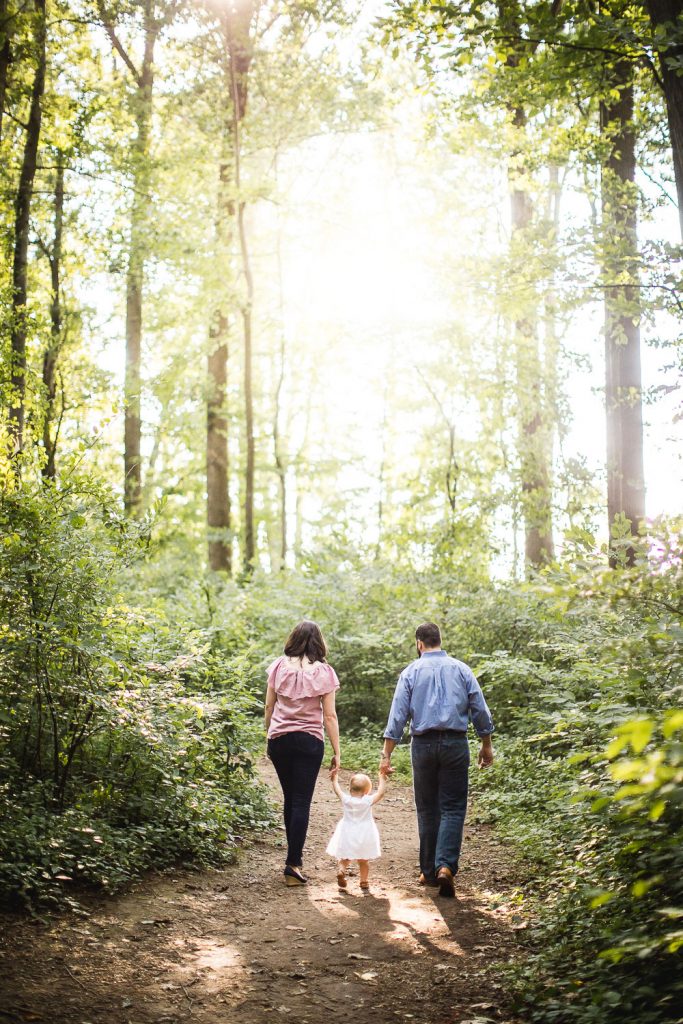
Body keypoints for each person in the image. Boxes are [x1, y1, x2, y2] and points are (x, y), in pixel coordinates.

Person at [379, 622, 494, 898]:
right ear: (439, 640)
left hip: (423, 744)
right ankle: (446, 867)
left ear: (419, 643)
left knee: (427, 808)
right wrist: (486, 744)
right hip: (455, 743)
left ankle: (429, 871)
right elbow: (479, 707)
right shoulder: (462, 669)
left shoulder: (411, 671)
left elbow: (398, 716)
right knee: (453, 807)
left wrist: (387, 754)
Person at [265, 620, 341, 887]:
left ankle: (292, 860)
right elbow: (329, 716)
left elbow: (269, 707)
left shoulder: (277, 667)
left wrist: (269, 734)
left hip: (280, 740)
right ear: (318, 642)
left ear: (293, 639)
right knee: (301, 801)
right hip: (309, 741)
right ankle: (293, 862)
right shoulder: (324, 672)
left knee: (290, 799)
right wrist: (337, 751)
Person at [326, 771, 387, 892]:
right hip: (364, 832)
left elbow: (337, 790)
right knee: (363, 860)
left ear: (350, 789)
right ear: (366, 791)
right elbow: (380, 793)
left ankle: (341, 870)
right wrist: (382, 778)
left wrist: (334, 779)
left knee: (344, 857)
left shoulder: (346, 800)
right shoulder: (367, 801)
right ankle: (363, 882)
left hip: (347, 831)